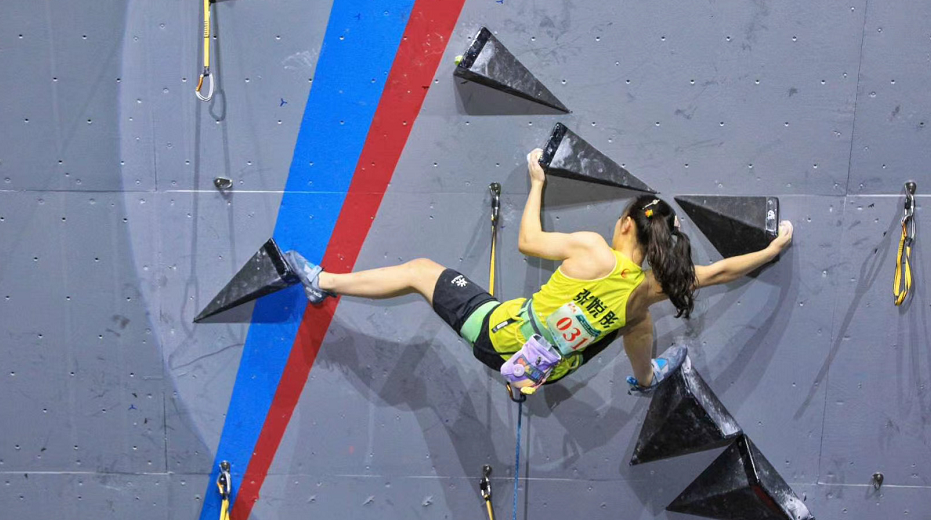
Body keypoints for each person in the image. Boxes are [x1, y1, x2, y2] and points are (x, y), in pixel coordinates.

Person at [285, 149, 794, 395]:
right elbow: (720, 272)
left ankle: (322, 282)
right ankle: (645, 377)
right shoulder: (653, 287)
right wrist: (772, 248)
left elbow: (528, 240)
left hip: (498, 336)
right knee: (636, 319)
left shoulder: (592, 250)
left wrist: (536, 184)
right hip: (549, 369)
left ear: (625, 225)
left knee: (421, 271)